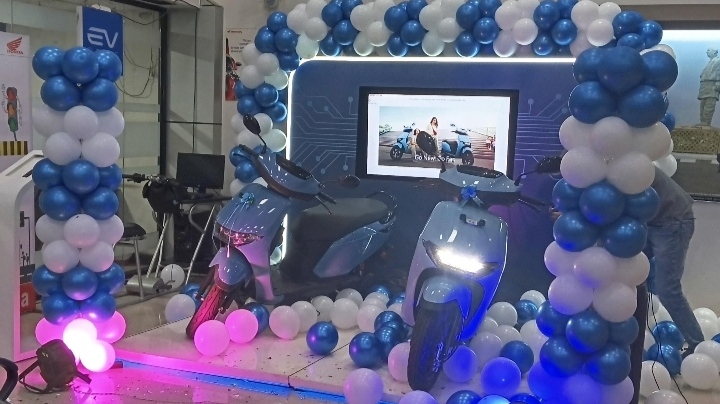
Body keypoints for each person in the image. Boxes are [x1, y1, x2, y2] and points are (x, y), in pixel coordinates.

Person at [698, 48, 720, 126]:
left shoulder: (718, 61)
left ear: (714, 52)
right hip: (705, 84)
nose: (707, 52)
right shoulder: (710, 62)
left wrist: (718, 82)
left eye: (708, 50)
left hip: (712, 84)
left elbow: (719, 72)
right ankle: (703, 121)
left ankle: (706, 121)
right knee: (703, 104)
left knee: (709, 103)